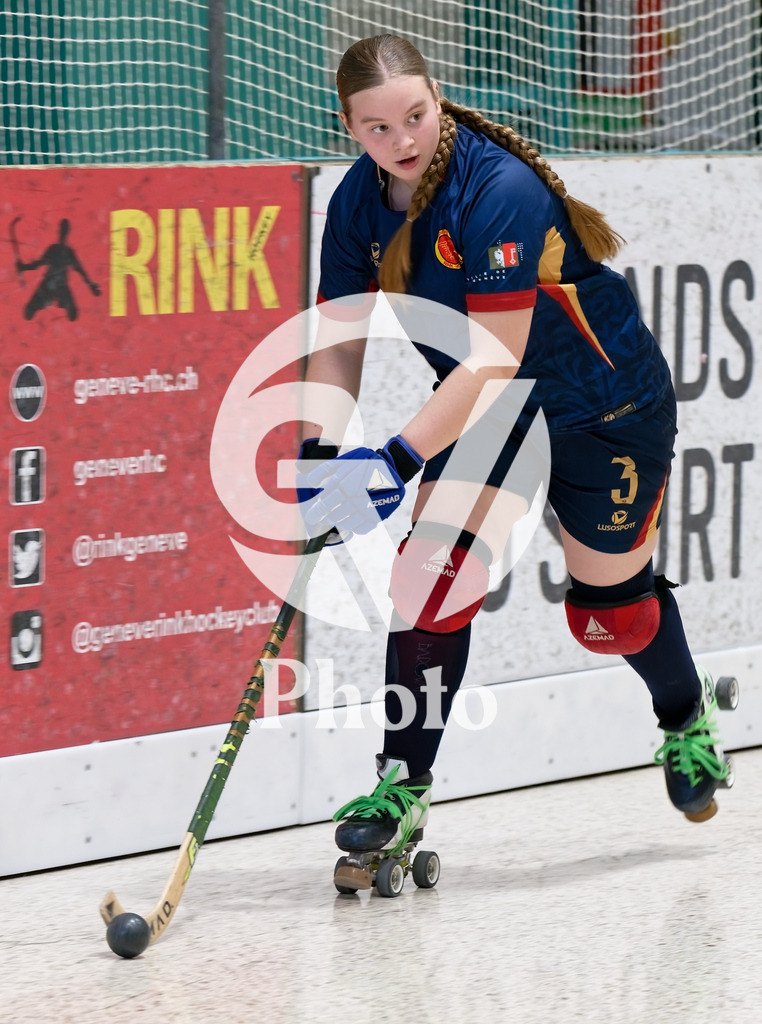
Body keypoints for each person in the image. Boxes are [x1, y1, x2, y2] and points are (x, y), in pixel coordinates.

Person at [298, 34, 734, 887]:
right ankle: (400, 785)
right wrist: (317, 454)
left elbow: (494, 352)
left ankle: (684, 720)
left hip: (602, 403)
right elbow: (340, 336)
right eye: (378, 127)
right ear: (348, 126)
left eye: (415, 116)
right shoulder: (355, 207)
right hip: (490, 414)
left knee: (613, 614)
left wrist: (390, 458)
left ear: (437, 99)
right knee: (429, 581)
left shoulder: (498, 187)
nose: (403, 140)